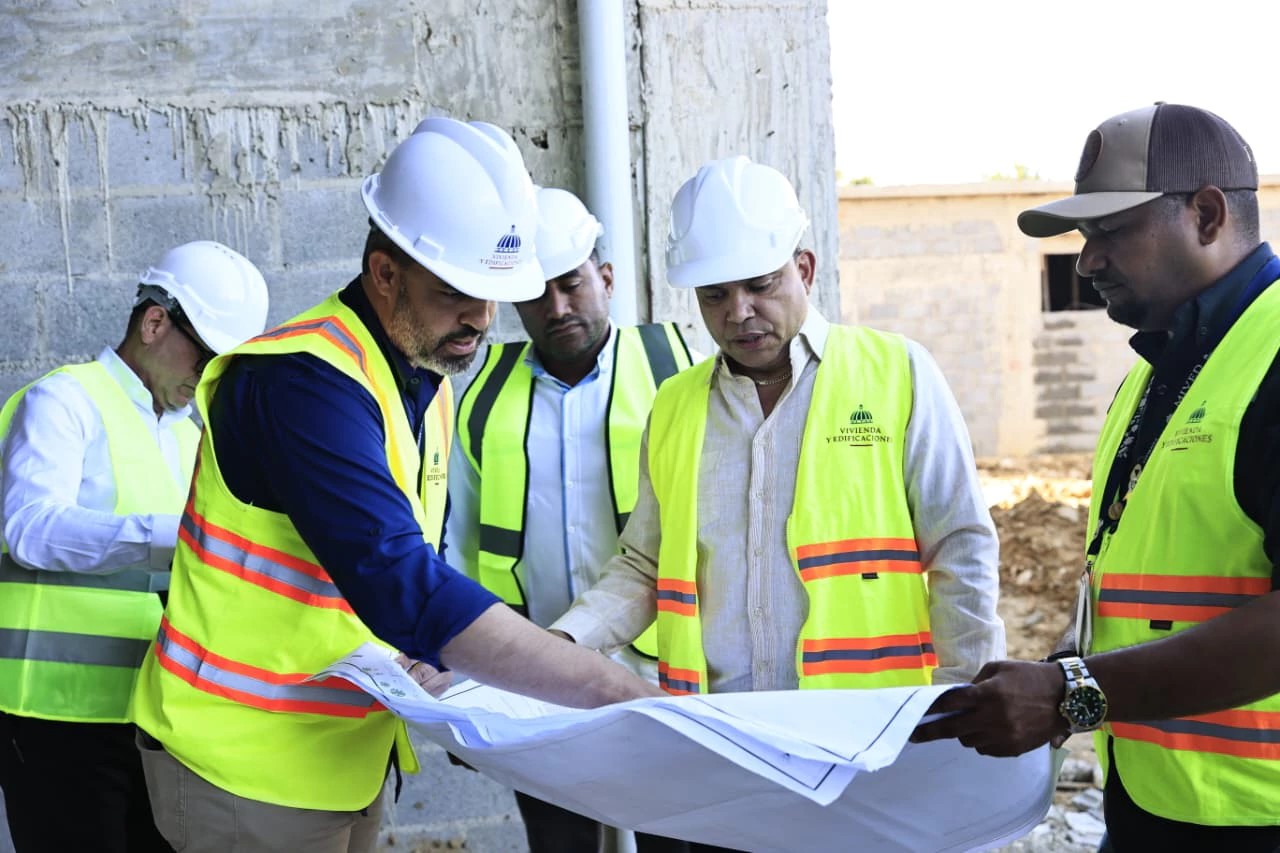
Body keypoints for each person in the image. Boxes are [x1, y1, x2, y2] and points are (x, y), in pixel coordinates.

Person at [129, 117, 666, 853]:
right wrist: (612, 689)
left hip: (339, 752)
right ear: (385, 273)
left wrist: (433, 654)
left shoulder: (424, 376)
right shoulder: (300, 385)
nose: (481, 319)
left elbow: (405, 563)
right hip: (242, 762)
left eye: (494, 294)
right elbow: (400, 580)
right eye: (457, 292)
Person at [550, 154, 1004, 846]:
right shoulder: (674, 407)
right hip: (717, 750)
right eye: (714, 295)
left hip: (863, 745)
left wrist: (959, 707)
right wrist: (557, 645)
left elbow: (961, 546)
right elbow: (643, 566)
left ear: (805, 269)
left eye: (760, 285)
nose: (739, 312)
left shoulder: (897, 373)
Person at [912, 103, 1280, 852]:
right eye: (1085, 237)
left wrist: (1071, 693)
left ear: (1207, 215)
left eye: (1111, 230)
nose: (1087, 262)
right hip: (1156, 803)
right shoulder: (1157, 373)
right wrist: (1062, 670)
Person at [0, 241, 270, 853]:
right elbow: (29, 527)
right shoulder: (64, 402)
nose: (208, 379)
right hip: (56, 719)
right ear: (154, 323)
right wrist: (171, 536)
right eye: (207, 359)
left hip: (157, 719)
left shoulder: (190, 436)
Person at [447, 186, 694, 853]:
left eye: (571, 284)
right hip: (536, 680)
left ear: (605, 278)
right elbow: (457, 549)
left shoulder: (676, 373)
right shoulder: (483, 396)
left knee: (673, 841)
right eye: (537, 292)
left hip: (658, 678)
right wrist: (470, 680)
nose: (556, 308)